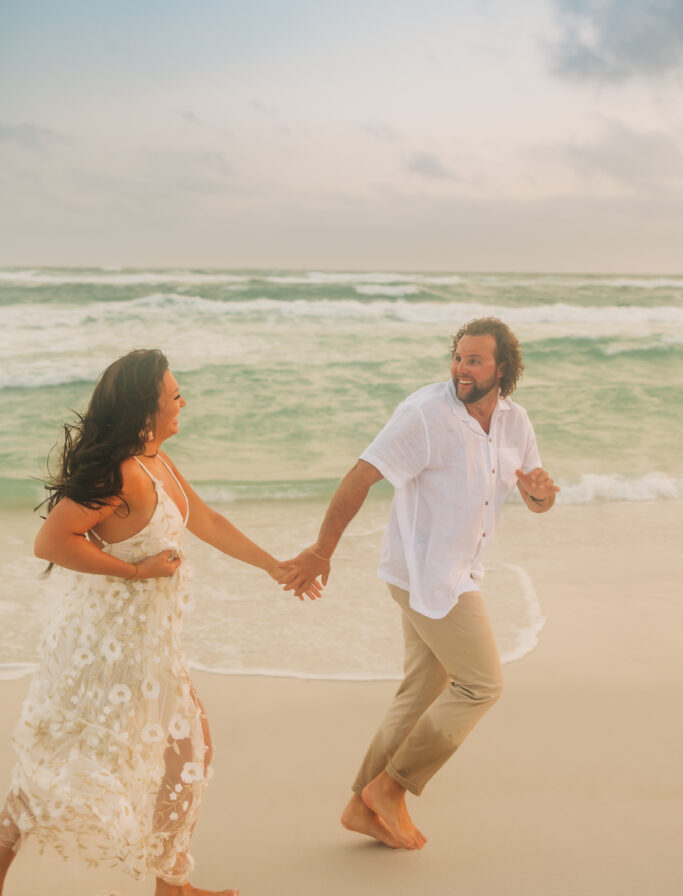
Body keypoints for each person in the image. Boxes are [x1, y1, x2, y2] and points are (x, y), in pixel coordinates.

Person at [0, 349, 318, 896]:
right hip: (104, 644)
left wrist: (275, 565)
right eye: (173, 396)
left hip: (148, 643)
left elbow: (209, 521)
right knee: (92, 761)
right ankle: (170, 886)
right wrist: (137, 569)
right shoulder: (121, 472)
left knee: (178, 752)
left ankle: (172, 883)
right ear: (146, 409)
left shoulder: (157, 462)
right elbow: (51, 540)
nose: (182, 403)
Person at [280, 317, 559, 851]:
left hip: (461, 568)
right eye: (457, 357)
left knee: (422, 690)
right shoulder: (425, 413)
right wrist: (321, 551)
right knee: (481, 684)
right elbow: (361, 475)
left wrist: (542, 494)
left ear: (503, 368)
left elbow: (534, 496)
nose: (460, 369)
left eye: (474, 360)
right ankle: (391, 789)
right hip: (423, 573)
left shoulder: (514, 422)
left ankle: (360, 803)